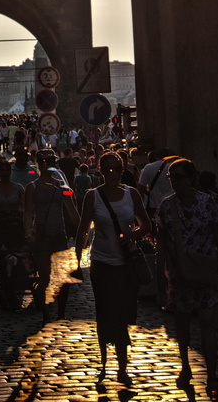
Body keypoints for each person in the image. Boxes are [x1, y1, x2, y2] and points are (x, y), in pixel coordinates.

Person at [157, 158, 218, 399]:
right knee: (182, 325)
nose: (174, 182)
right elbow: (160, 243)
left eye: (178, 177)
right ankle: (185, 366)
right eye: (171, 178)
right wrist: (160, 275)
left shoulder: (208, 203)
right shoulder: (166, 206)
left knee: (208, 325)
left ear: (190, 178)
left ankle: (212, 375)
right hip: (179, 276)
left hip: (204, 272)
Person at [75, 151, 150, 387]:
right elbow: (83, 230)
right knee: (105, 311)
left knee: (124, 314)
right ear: (100, 171)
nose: (112, 174)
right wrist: (77, 263)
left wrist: (135, 235)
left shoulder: (132, 194)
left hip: (126, 265)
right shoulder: (92, 197)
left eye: (115, 169)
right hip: (102, 263)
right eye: (107, 170)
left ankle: (122, 364)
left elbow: (145, 223)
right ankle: (108, 363)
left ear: (122, 170)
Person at [24, 149, 80, 326]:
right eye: (45, 162)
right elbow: (28, 212)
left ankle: (61, 314)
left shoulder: (61, 187)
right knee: (45, 278)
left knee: (63, 278)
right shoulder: (32, 187)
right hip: (42, 236)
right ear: (39, 164)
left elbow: (71, 209)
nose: (48, 165)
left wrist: (81, 227)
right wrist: (28, 232)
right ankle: (46, 315)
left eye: (51, 162)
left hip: (59, 235)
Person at [0, 160, 25, 308]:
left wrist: (20, 211)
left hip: (16, 227)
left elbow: (23, 205)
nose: (4, 173)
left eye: (7, 170)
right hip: (0, 227)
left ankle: (17, 281)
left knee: (18, 254)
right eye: (1, 170)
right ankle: (5, 285)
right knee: (1, 259)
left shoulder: (18, 188)